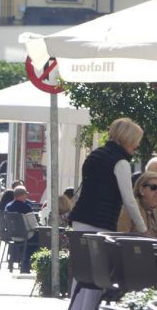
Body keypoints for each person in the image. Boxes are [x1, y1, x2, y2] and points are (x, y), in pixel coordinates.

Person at [68, 118, 148, 310]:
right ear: (128, 139)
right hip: (101, 222)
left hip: (81, 219)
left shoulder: (94, 155)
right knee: (98, 276)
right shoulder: (121, 162)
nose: (137, 145)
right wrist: (143, 228)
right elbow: (129, 199)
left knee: (81, 275)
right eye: (136, 140)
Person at [4, 186, 38, 273]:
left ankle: (23, 261)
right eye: (25, 195)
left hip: (13, 235)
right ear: (22, 195)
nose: (26, 197)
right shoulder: (26, 207)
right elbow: (34, 226)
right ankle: (27, 262)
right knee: (43, 239)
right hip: (26, 235)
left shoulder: (8, 207)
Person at [117, 171, 157, 237]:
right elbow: (121, 239)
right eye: (153, 187)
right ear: (141, 190)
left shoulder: (154, 211)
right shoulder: (128, 210)